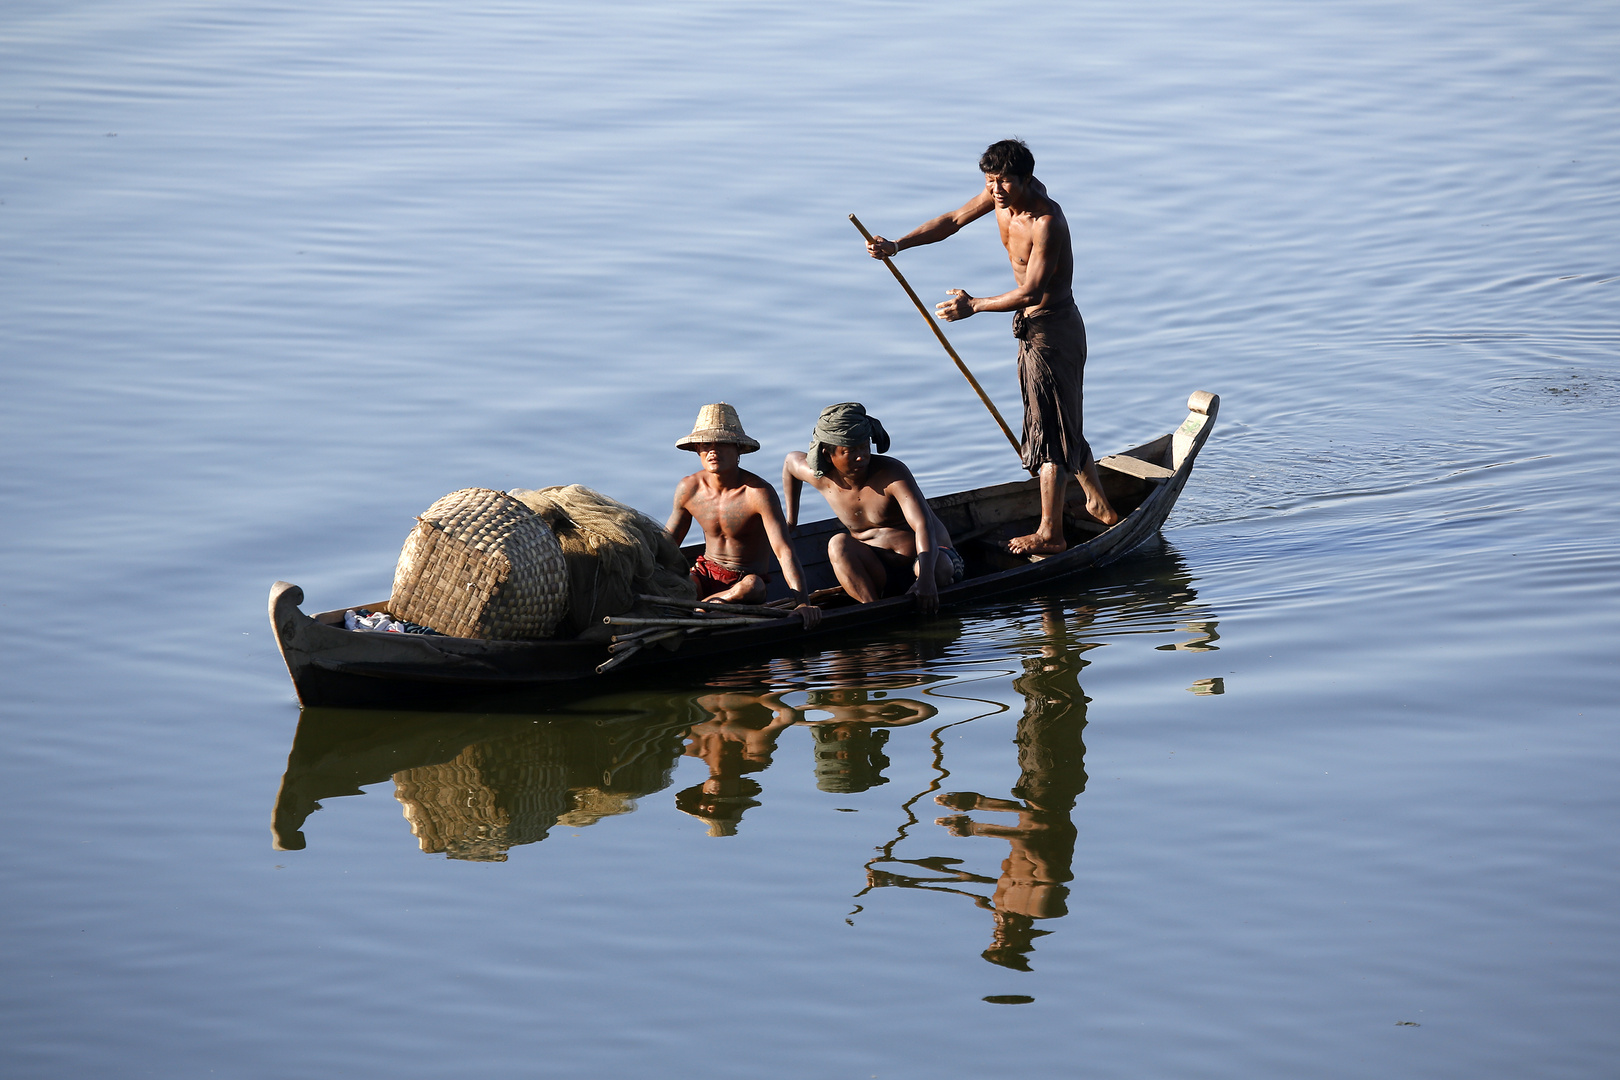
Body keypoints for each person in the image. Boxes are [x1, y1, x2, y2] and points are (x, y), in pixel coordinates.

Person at [865, 138, 1119, 555]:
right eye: (990, 181)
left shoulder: (1046, 221)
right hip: (1033, 329)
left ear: (1026, 178)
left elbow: (1033, 291)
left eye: (1004, 181)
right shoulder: (998, 198)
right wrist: (897, 245)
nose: (996, 190)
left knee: (1049, 434)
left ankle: (1050, 534)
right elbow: (952, 220)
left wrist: (975, 305)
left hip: (1054, 330)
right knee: (1060, 418)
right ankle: (1098, 504)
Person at [782, 402, 963, 616]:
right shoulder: (821, 477)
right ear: (828, 453)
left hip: (931, 561)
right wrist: (791, 520)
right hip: (879, 571)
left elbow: (923, 525)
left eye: (864, 447)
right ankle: (873, 610)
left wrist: (926, 581)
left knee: (938, 568)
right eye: (849, 451)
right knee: (837, 543)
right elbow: (790, 464)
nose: (861, 457)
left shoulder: (891, 473)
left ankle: (924, 590)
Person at [667, 403, 821, 628]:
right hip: (705, 575)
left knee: (753, 586)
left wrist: (802, 602)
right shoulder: (689, 488)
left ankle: (706, 607)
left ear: (738, 449)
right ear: (698, 450)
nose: (713, 451)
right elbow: (667, 544)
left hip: (744, 583)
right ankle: (702, 605)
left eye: (721, 444)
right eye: (706, 444)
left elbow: (783, 551)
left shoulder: (758, 492)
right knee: (682, 585)